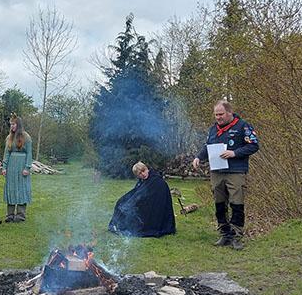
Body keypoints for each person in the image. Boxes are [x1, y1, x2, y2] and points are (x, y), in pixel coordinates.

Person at [192, 100, 260, 250]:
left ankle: (236, 236)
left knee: (236, 203)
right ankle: (224, 234)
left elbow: (254, 145)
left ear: (229, 112)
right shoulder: (212, 130)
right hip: (217, 172)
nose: (218, 117)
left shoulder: (243, 126)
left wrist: (234, 153)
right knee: (220, 204)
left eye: (221, 114)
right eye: (216, 115)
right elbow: (207, 147)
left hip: (235, 171)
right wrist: (198, 157)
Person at [108, 162, 176, 238]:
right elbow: (137, 192)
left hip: (155, 208)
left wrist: (134, 201)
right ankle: (117, 224)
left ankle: (124, 225)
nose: (143, 174)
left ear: (147, 168)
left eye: (143, 171)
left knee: (129, 206)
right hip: (147, 202)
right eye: (140, 174)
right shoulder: (144, 180)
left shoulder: (156, 180)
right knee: (121, 202)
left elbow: (153, 197)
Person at [1, 114, 32, 222]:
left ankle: (20, 215)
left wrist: (27, 168)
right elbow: (6, 153)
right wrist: (4, 167)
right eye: (11, 124)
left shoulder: (26, 137)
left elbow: (29, 154)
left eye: (13, 124)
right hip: (11, 167)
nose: (12, 126)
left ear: (18, 125)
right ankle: (9, 215)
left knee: (22, 189)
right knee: (11, 189)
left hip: (22, 165)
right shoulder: (9, 138)